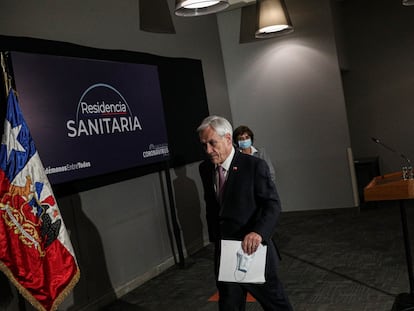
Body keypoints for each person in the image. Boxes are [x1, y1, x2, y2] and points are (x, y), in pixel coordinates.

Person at [197, 115, 293, 311]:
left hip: (253, 251)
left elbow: (272, 205)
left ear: (227, 139)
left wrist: (258, 232)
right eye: (204, 145)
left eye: (212, 143)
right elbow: (212, 206)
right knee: (229, 305)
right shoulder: (205, 168)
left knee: (276, 304)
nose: (208, 150)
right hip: (226, 252)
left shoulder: (254, 166)